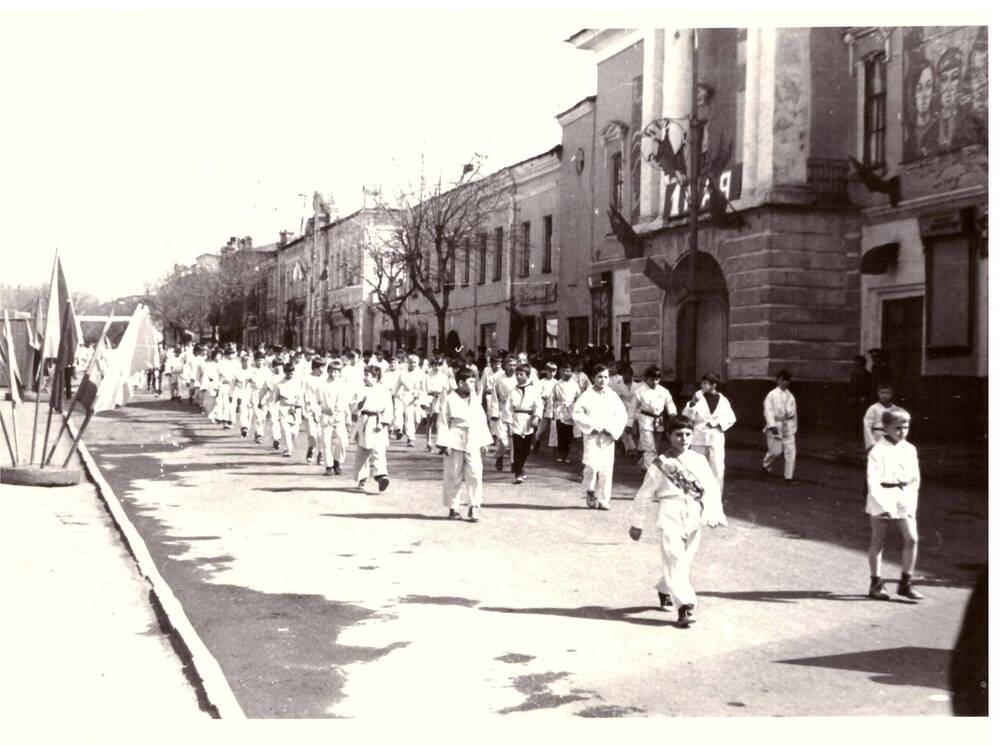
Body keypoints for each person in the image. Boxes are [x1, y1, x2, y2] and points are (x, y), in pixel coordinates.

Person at [627, 415, 727, 627]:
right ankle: (686, 607)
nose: (684, 439)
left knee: (683, 561)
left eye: (688, 434)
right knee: (675, 558)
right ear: (669, 436)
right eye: (678, 435)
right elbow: (644, 494)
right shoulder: (661, 464)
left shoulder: (699, 460)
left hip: (693, 513)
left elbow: (710, 488)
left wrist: (713, 513)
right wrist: (637, 523)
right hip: (669, 511)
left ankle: (664, 588)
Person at [865, 408, 923, 601]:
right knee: (878, 541)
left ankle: (905, 583)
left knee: (912, 539)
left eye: (906, 427)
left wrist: (910, 503)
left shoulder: (909, 449)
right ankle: (875, 583)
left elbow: (915, 479)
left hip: (903, 498)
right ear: (886, 427)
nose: (902, 431)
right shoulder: (877, 450)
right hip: (881, 498)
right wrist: (885, 507)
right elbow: (873, 482)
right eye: (898, 428)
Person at [438, 368, 493, 521]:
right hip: (454, 437)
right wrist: (444, 443)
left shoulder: (475, 399)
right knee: (453, 475)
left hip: (473, 438)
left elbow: (481, 420)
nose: (473, 384)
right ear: (461, 383)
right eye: (470, 382)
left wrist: (484, 442)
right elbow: (442, 421)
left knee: (475, 474)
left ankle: (474, 507)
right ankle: (453, 507)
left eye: (474, 382)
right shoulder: (449, 398)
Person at [572, 364, 628, 510]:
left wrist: (611, 429)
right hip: (592, 435)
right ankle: (590, 490)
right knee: (591, 465)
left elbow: (621, 414)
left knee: (606, 467)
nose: (603, 380)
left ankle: (604, 499)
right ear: (593, 378)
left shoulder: (612, 395)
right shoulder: (587, 396)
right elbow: (578, 414)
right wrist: (592, 426)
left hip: (607, 436)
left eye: (605, 377)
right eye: (599, 377)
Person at [682, 373, 736, 496]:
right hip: (699, 437)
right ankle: (696, 495)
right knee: (697, 467)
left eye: (705, 383)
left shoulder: (723, 401)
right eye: (702, 383)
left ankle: (716, 496)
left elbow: (731, 418)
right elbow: (686, 417)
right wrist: (692, 403)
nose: (702, 385)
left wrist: (718, 424)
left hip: (715, 437)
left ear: (713, 385)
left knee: (717, 468)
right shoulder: (698, 399)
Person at [353, 365, 392, 492]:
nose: (364, 377)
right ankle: (362, 479)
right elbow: (353, 408)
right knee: (362, 451)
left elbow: (389, 410)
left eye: (367, 375)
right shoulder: (360, 390)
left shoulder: (384, 391)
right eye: (364, 374)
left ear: (375, 377)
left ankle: (381, 476)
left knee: (378, 450)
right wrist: (359, 405)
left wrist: (383, 424)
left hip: (377, 422)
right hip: (363, 421)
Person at [506, 363, 544, 484]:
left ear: (527, 375)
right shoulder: (513, 391)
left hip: (528, 421)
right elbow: (508, 409)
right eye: (517, 374)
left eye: (521, 374)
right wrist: (509, 424)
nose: (518, 376)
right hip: (516, 419)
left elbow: (539, 405)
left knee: (526, 449)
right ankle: (518, 472)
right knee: (517, 448)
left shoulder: (533, 391)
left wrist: (536, 417)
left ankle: (520, 467)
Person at [632, 366, 676, 468]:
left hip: (658, 420)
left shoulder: (663, 391)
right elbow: (632, 408)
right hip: (645, 420)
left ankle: (643, 463)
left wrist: (672, 414)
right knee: (649, 447)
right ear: (646, 379)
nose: (655, 382)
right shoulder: (640, 391)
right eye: (652, 379)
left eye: (657, 379)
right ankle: (650, 470)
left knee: (655, 446)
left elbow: (670, 404)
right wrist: (630, 423)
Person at [761, 369, 798, 484]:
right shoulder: (771, 395)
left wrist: (791, 420)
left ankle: (788, 477)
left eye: (787, 380)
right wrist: (771, 425)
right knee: (775, 452)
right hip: (776, 426)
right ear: (778, 380)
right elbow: (768, 410)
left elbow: (793, 412)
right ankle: (765, 465)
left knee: (791, 452)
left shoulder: (790, 396)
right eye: (783, 380)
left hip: (788, 427)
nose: (785, 383)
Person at [319, 360, 352, 475]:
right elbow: (316, 401)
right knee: (326, 441)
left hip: (339, 416)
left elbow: (346, 402)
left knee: (343, 441)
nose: (334, 374)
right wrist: (322, 410)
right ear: (328, 371)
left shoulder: (343, 385)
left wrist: (348, 418)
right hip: (326, 416)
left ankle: (337, 461)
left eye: (336, 372)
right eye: (332, 371)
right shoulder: (322, 385)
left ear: (339, 373)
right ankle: (329, 466)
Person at [552, 362, 582, 463]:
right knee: (560, 432)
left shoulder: (574, 384)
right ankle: (560, 453)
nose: (566, 373)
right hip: (560, 409)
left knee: (568, 433)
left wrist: (575, 407)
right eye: (564, 371)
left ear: (572, 372)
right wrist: (554, 409)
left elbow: (578, 396)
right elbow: (554, 397)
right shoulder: (558, 383)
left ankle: (567, 453)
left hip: (570, 409)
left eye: (568, 371)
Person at [492, 356, 518, 471]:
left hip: (514, 411)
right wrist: (494, 411)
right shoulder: (499, 379)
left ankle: (514, 462)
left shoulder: (518, 378)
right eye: (510, 365)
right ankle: (500, 456)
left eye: (514, 365)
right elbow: (494, 396)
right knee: (502, 438)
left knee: (514, 438)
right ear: (505, 366)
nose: (512, 368)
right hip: (502, 410)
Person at [396, 354, 425, 447]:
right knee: (409, 417)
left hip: (419, 397)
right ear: (407, 362)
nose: (413, 364)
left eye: (415, 363)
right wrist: (393, 394)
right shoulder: (403, 373)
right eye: (411, 362)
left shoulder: (421, 373)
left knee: (417, 419)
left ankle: (411, 432)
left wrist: (421, 397)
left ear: (418, 363)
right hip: (407, 396)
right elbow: (397, 385)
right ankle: (411, 438)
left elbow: (423, 387)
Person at [303, 358, 327, 464]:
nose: (323, 369)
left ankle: (321, 453)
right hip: (309, 408)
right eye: (321, 367)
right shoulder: (307, 379)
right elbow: (302, 394)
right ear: (315, 367)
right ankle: (311, 448)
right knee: (312, 433)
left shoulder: (325, 379)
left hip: (322, 408)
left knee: (322, 433)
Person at [863, 383, 897, 451]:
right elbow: (867, 426)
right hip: (877, 437)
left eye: (887, 393)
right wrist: (871, 443)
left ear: (892, 394)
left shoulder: (895, 409)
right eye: (882, 393)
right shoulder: (873, 408)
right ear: (878, 394)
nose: (884, 395)